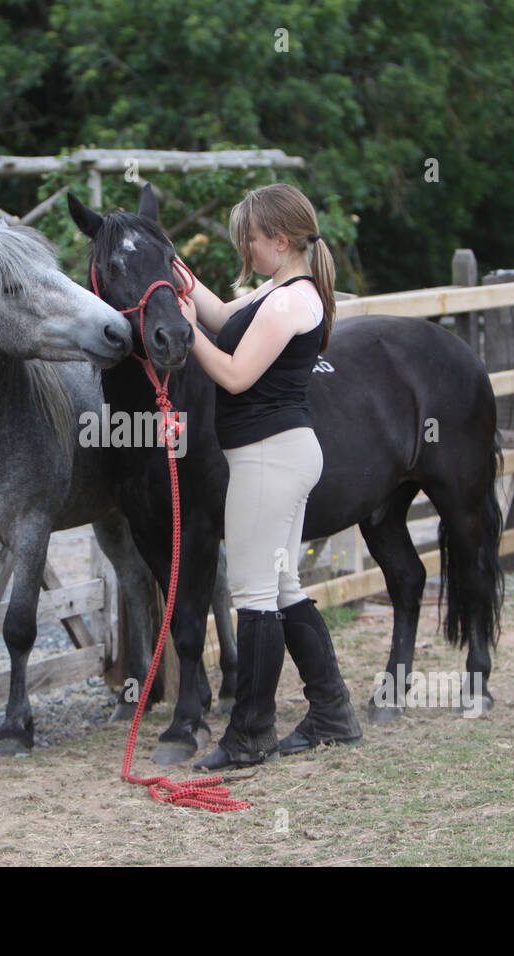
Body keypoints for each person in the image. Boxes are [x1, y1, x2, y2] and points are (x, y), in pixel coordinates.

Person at [176, 183, 363, 771]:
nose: (247, 251)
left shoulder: (288, 303)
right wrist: (176, 274)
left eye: (252, 241)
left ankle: (250, 733)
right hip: (279, 454)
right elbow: (224, 313)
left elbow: (233, 375)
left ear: (279, 242)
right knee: (283, 589)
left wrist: (187, 335)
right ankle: (331, 711)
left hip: (266, 458)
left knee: (254, 594)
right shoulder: (283, 289)